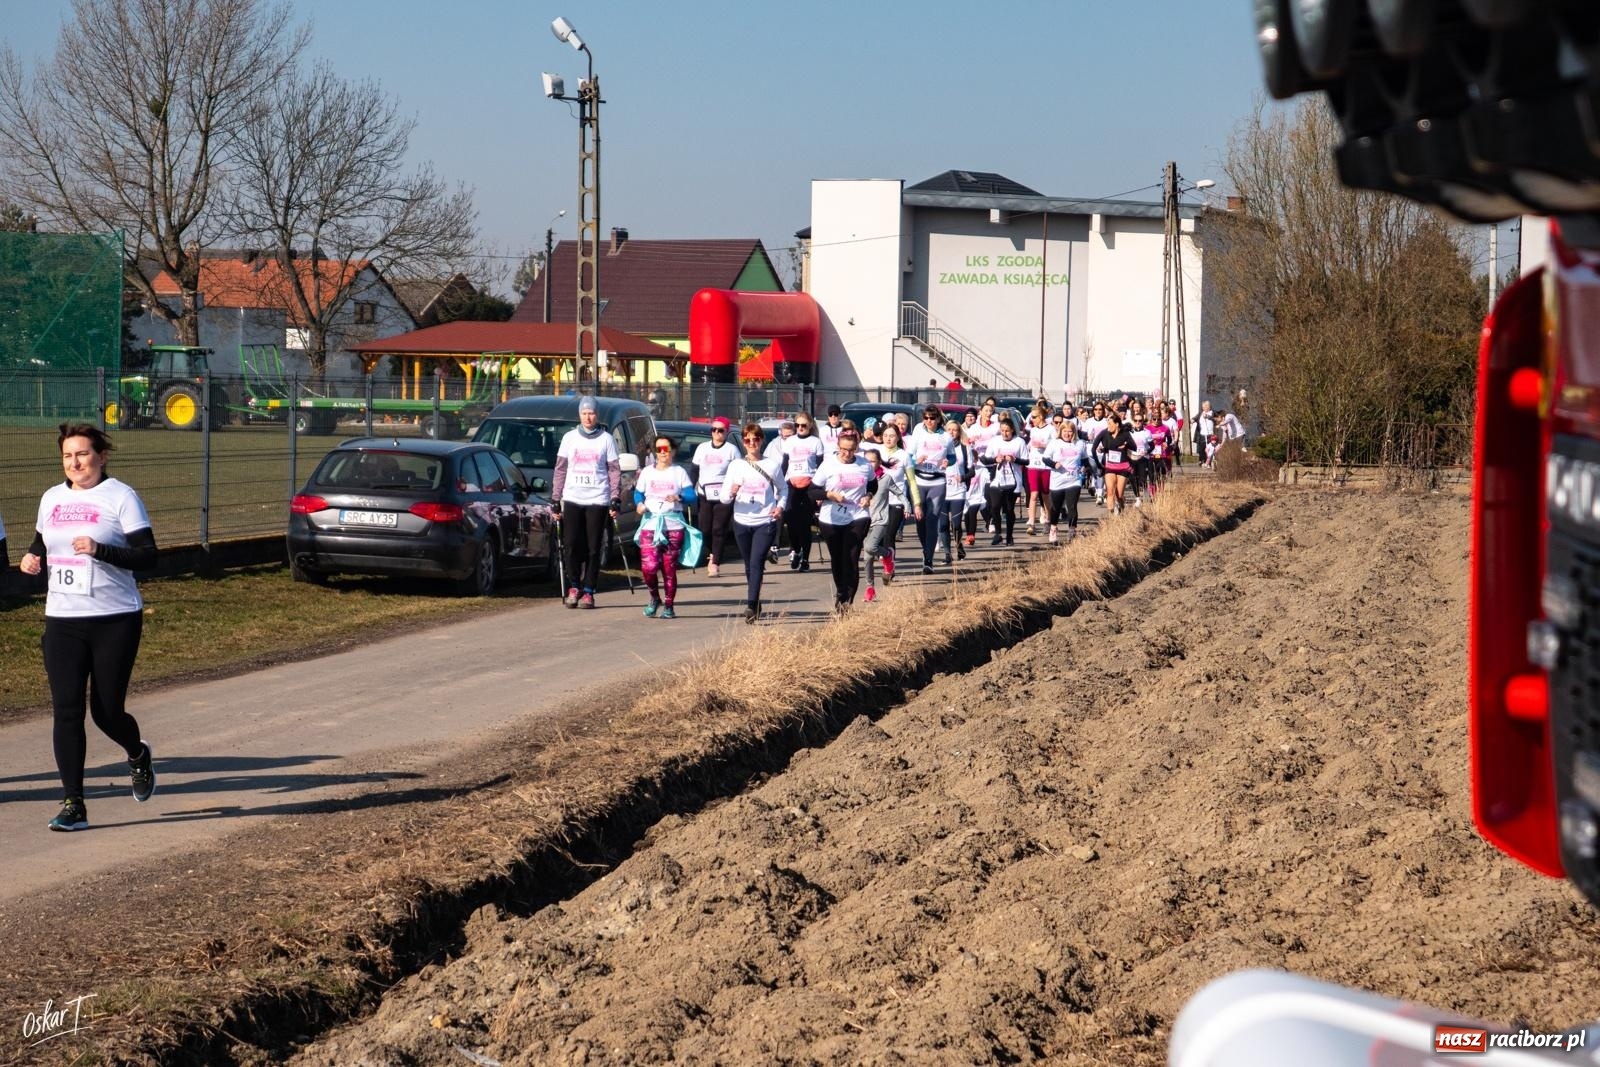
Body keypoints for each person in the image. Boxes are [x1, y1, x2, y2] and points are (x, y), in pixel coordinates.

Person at [19, 423, 158, 832]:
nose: (75, 462)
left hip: (114, 618)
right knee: (66, 710)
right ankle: (74, 804)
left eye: (82, 454)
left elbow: (148, 556)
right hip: (63, 619)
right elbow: (41, 543)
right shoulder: (51, 498)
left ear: (102, 456)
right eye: (67, 456)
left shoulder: (121, 497)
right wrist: (31, 559)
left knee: (106, 712)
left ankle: (137, 754)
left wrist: (101, 550)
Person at [551, 396, 622, 609]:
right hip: (573, 497)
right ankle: (574, 585)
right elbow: (560, 469)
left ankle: (589, 589)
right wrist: (555, 498)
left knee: (593, 547)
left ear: (597, 414)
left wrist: (615, 497)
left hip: (597, 499)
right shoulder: (569, 438)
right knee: (571, 544)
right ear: (579, 415)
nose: (588, 417)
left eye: (591, 413)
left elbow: (614, 471)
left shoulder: (606, 439)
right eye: (584, 413)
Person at [720, 423, 787, 623]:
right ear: (743, 442)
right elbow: (724, 498)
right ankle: (756, 601)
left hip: (764, 520)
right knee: (749, 565)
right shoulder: (736, 465)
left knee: (757, 562)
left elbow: (783, 489)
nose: (752, 443)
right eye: (748, 440)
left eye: (755, 439)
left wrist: (780, 507)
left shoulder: (772, 465)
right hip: (741, 520)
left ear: (761, 441)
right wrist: (732, 492)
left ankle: (750, 605)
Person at [812, 427, 876, 614]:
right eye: (843, 449)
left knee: (851, 556)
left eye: (851, 450)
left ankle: (846, 601)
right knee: (838, 558)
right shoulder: (828, 465)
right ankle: (841, 591)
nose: (846, 453)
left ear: (857, 448)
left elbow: (873, 483)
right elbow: (812, 491)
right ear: (838, 446)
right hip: (831, 518)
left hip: (858, 515)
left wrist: (868, 495)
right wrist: (829, 495)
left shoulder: (864, 465)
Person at [634, 434, 695, 619]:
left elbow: (692, 496)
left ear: (673, 451)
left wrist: (679, 497)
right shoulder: (647, 472)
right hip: (651, 524)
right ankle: (654, 597)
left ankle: (669, 605)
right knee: (648, 567)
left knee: (669, 569)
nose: (662, 453)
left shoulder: (679, 472)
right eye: (658, 449)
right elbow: (638, 493)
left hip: (673, 525)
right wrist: (639, 504)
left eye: (666, 449)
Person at [862, 422, 915, 591]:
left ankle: (888, 568)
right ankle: (885, 560)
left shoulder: (904, 455)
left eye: (892, 435)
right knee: (871, 546)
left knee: (889, 535)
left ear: (898, 437)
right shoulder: (873, 452)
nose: (888, 438)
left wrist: (915, 504)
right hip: (876, 504)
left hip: (896, 503)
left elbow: (912, 482)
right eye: (885, 435)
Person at [691, 417, 739, 577]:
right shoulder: (702, 448)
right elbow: (694, 470)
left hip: (723, 495)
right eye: (714, 430)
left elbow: (738, 471)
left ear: (726, 432)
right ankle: (712, 552)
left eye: (720, 430)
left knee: (718, 528)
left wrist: (734, 487)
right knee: (705, 528)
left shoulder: (731, 450)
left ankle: (715, 561)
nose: (716, 433)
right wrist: (690, 488)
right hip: (704, 493)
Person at [909, 405, 955, 573]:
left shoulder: (946, 437)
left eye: (932, 418)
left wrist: (947, 462)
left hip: (937, 482)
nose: (929, 421)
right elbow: (908, 457)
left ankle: (928, 560)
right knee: (920, 521)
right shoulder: (917, 432)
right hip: (920, 481)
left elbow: (952, 456)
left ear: (938, 419)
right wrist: (916, 461)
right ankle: (926, 549)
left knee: (932, 519)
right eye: (926, 418)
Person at [781, 412, 826, 571]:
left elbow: (821, 467)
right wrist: (779, 485)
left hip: (810, 484)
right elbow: (784, 464)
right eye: (797, 425)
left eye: (803, 425)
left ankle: (805, 559)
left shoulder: (816, 442)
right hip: (792, 483)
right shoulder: (789, 441)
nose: (800, 428)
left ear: (810, 426)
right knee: (791, 520)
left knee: (805, 523)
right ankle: (795, 550)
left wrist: (821, 491)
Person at [1043, 419, 1093, 543]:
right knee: (1056, 507)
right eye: (1064, 431)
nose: (1067, 434)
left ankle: (1072, 529)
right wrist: (1054, 464)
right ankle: (1053, 528)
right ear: (1060, 432)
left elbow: (1086, 461)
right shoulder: (1054, 443)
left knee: (1072, 505)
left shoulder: (1080, 443)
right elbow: (1045, 459)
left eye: (1070, 431)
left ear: (1074, 432)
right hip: (1057, 481)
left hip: (1074, 480)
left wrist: (1085, 468)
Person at [983, 417, 1026, 545]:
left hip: (1013, 481)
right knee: (995, 507)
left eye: (1007, 431)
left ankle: (1009, 535)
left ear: (1012, 430)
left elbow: (1026, 461)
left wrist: (1014, 460)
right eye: (1002, 431)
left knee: (1008, 509)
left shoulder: (1019, 442)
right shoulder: (994, 441)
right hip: (997, 479)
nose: (1004, 433)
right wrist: (995, 459)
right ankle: (998, 533)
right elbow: (986, 459)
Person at [941, 419, 973, 562]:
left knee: (956, 524)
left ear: (959, 432)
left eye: (955, 429)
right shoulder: (939, 448)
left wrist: (963, 477)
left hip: (958, 490)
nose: (952, 432)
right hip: (941, 489)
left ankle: (958, 545)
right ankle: (947, 554)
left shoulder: (965, 449)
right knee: (942, 524)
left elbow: (972, 471)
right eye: (949, 430)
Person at [1093, 412, 1136, 515]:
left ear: (1116, 424)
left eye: (1110, 424)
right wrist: (1099, 464)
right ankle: (1112, 516)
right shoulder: (1104, 433)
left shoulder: (1125, 433)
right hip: (1110, 467)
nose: (1108, 426)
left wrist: (1126, 446)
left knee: (1119, 495)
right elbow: (1093, 449)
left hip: (1123, 467)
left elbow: (1134, 447)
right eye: (1107, 424)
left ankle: (1121, 509)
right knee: (1110, 492)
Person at [1024, 407, 1054, 534]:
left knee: (1045, 495)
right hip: (1033, 464)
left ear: (1041, 417)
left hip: (1045, 465)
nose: (1032, 419)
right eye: (1031, 417)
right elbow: (1031, 444)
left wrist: (1043, 445)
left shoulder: (1051, 429)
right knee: (1034, 494)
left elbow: (1054, 445)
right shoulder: (1033, 430)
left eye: (1034, 417)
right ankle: (1031, 522)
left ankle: (1048, 520)